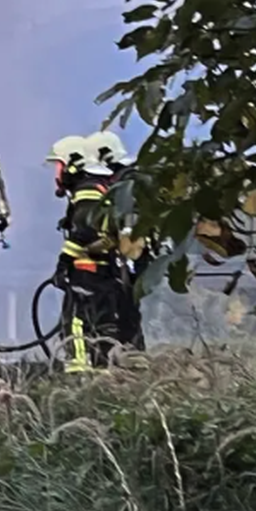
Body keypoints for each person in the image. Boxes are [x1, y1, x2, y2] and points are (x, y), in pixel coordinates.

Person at [46, 135, 121, 373]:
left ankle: (79, 370)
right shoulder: (100, 184)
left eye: (59, 165)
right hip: (105, 269)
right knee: (104, 323)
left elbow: (84, 231)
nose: (57, 173)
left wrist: (63, 263)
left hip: (88, 269)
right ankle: (104, 368)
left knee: (76, 321)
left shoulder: (86, 190)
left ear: (73, 163)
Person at [83, 130, 146, 351]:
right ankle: (131, 356)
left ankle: (131, 358)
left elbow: (125, 230)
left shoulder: (125, 184)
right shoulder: (124, 178)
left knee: (125, 314)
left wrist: (92, 249)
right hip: (128, 258)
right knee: (126, 314)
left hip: (127, 259)